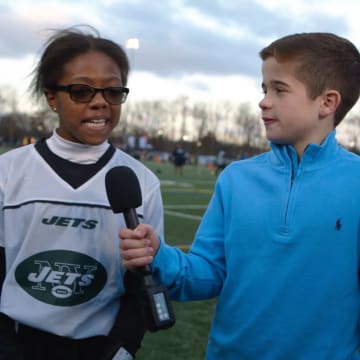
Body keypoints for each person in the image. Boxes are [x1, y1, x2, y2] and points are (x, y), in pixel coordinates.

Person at [120, 32, 360, 359]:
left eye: (279, 89)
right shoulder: (236, 179)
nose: (264, 101)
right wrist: (158, 254)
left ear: (327, 102)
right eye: (264, 89)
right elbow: (207, 273)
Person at [0, 25, 165, 360]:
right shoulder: (8, 172)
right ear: (51, 97)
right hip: (17, 342)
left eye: (113, 92)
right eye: (81, 91)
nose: (100, 103)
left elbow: (143, 280)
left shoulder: (142, 181)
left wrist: (124, 345)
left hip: (99, 347)